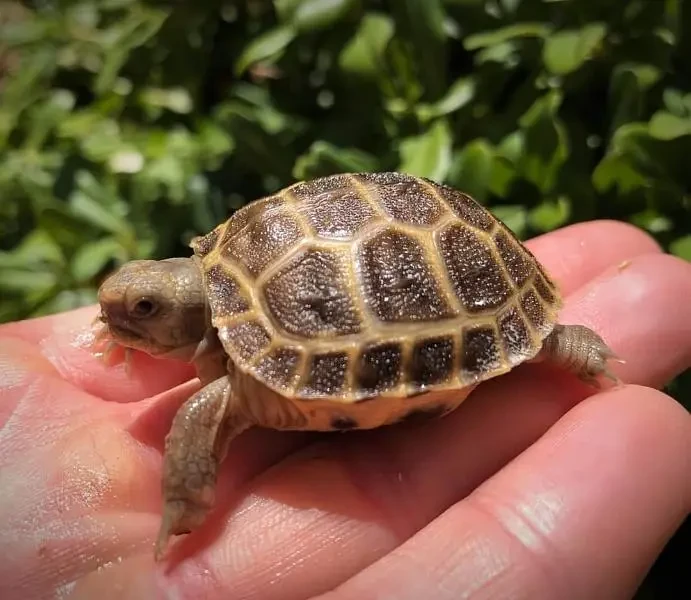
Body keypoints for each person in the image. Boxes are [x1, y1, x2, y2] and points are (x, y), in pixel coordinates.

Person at [0, 220, 689, 600]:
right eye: (127, 309)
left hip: (443, 286)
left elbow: (198, 418)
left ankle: (547, 335)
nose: (120, 317)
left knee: (541, 350)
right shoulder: (217, 298)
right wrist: (126, 329)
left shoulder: (228, 385)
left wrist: (180, 505)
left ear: (193, 310)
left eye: (144, 311)